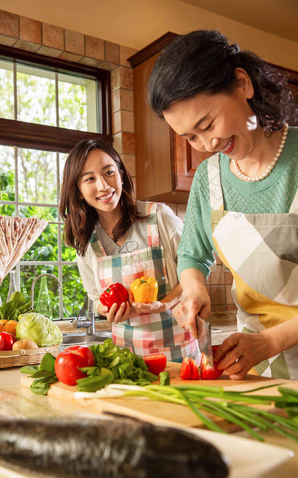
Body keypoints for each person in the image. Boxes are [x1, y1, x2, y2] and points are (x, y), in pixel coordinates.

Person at [149, 29, 298, 380]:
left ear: (242, 84)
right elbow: (191, 255)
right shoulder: (208, 178)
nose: (207, 144)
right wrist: (195, 289)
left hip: (263, 349)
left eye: (208, 123)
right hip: (257, 368)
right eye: (190, 137)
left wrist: (267, 342)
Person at [59, 139, 192, 361]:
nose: (103, 185)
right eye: (90, 179)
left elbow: (195, 270)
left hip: (180, 352)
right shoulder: (87, 242)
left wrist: (165, 304)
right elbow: (95, 298)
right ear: (79, 191)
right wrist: (107, 309)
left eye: (109, 172)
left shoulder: (159, 216)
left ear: (121, 173)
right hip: (128, 360)